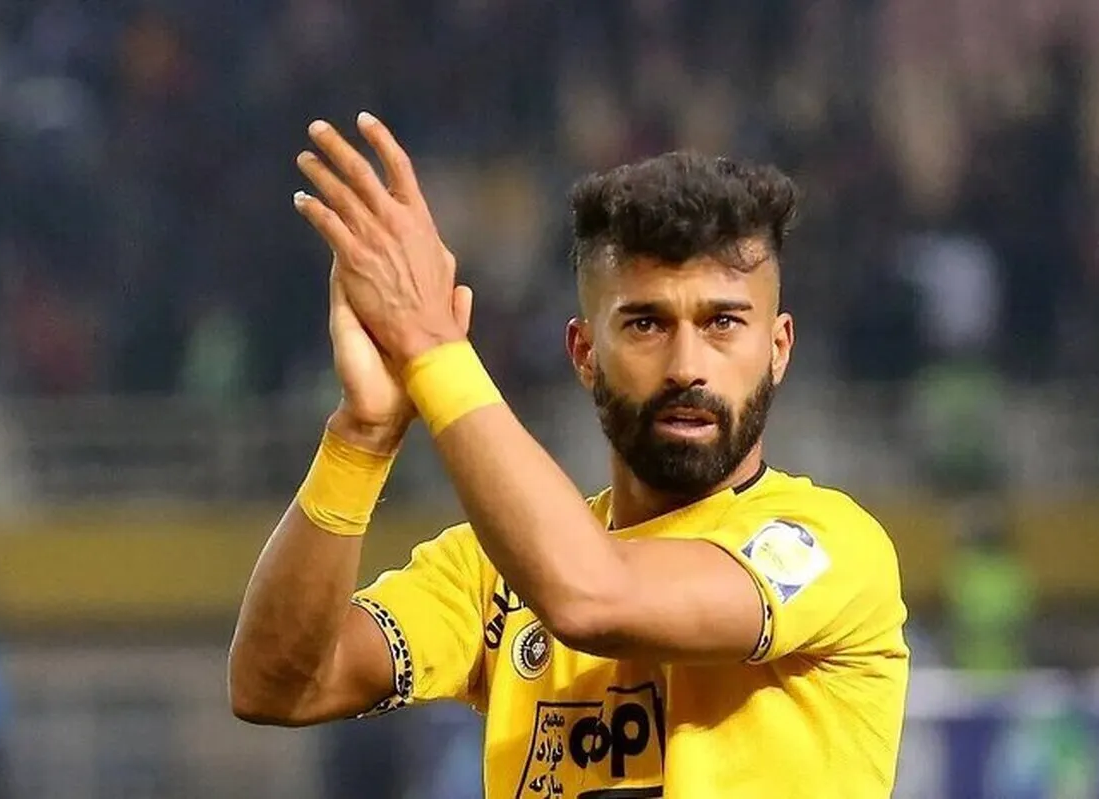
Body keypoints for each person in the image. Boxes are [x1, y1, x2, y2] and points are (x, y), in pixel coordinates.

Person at [229, 112, 910, 798]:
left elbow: (593, 598)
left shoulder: (827, 547)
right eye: (645, 324)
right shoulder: (494, 569)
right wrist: (362, 437)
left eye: (723, 322)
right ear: (585, 352)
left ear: (778, 348)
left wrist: (433, 350)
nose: (686, 366)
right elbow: (277, 685)